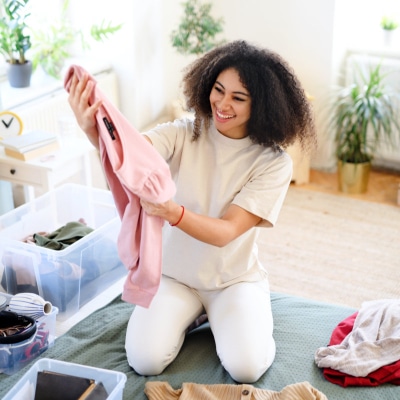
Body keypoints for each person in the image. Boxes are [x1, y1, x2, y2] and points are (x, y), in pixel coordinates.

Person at [67, 40, 316, 383]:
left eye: (238, 98)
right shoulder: (186, 131)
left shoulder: (273, 163)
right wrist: (92, 129)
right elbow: (131, 155)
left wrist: (172, 212)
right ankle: (195, 315)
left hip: (232, 280)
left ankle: (236, 315)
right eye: (218, 90)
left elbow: (227, 231)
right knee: (145, 361)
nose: (223, 104)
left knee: (246, 368)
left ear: (262, 107)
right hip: (174, 276)